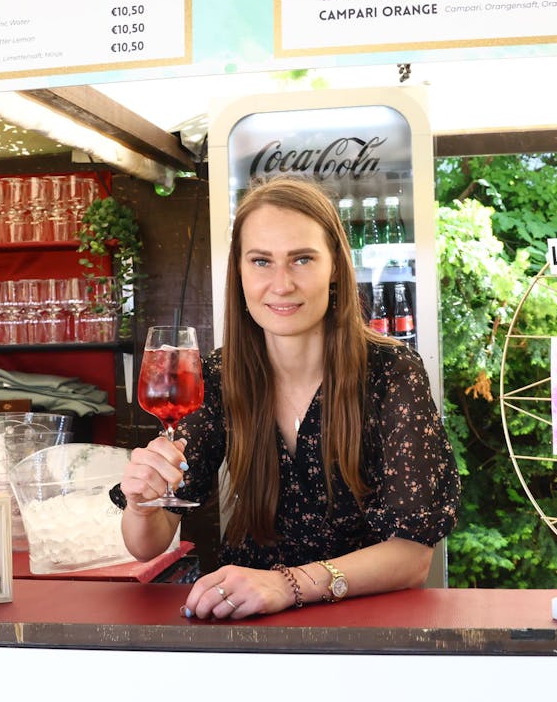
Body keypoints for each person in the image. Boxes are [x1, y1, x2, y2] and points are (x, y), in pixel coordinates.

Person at [118, 177, 459, 619]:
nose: (280, 284)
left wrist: (285, 585)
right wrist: (142, 503)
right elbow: (147, 546)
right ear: (238, 272)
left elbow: (413, 558)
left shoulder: (392, 373)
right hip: (247, 621)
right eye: (261, 261)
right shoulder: (217, 377)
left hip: (365, 626)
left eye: (301, 259)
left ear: (335, 265)